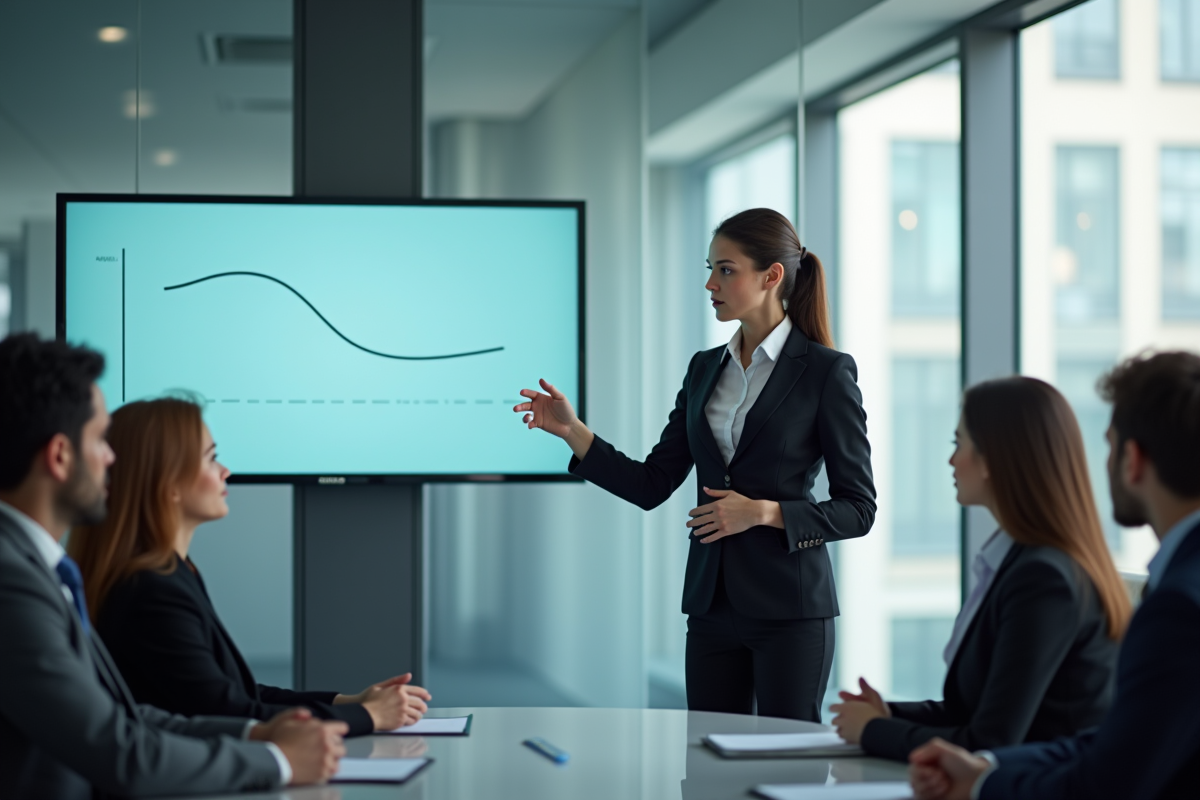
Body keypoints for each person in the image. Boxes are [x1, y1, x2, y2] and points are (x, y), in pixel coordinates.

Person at [514, 208, 876, 722]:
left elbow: (858, 509)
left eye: (726, 269)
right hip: (711, 608)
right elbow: (652, 483)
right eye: (711, 268)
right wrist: (574, 432)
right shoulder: (705, 368)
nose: (710, 283)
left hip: (791, 612)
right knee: (704, 767)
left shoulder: (825, 372)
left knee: (787, 764)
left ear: (771, 276)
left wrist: (764, 513)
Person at [0, 333, 346, 799]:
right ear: (60, 456)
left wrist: (255, 736)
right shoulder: (11, 581)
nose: (112, 458)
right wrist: (278, 760)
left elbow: (121, 716)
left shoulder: (35, 567)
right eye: (100, 439)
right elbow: (119, 753)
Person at [908, 351, 1200, 800]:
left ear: (1133, 460)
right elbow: (1113, 741)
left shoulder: (1178, 606)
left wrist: (983, 784)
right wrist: (987, 767)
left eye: (1108, 444)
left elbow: (1108, 783)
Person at [68, 396, 431, 737]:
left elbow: (236, 693)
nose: (226, 471)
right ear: (169, 484)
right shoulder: (151, 590)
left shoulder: (171, 572)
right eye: (211, 459)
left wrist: (348, 702)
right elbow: (229, 714)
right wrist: (369, 717)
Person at [829, 377, 1127, 760]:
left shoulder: (1043, 578)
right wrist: (886, 714)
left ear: (993, 459)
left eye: (958, 444)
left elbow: (990, 742)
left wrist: (873, 730)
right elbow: (971, 713)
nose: (951, 460)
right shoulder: (1019, 560)